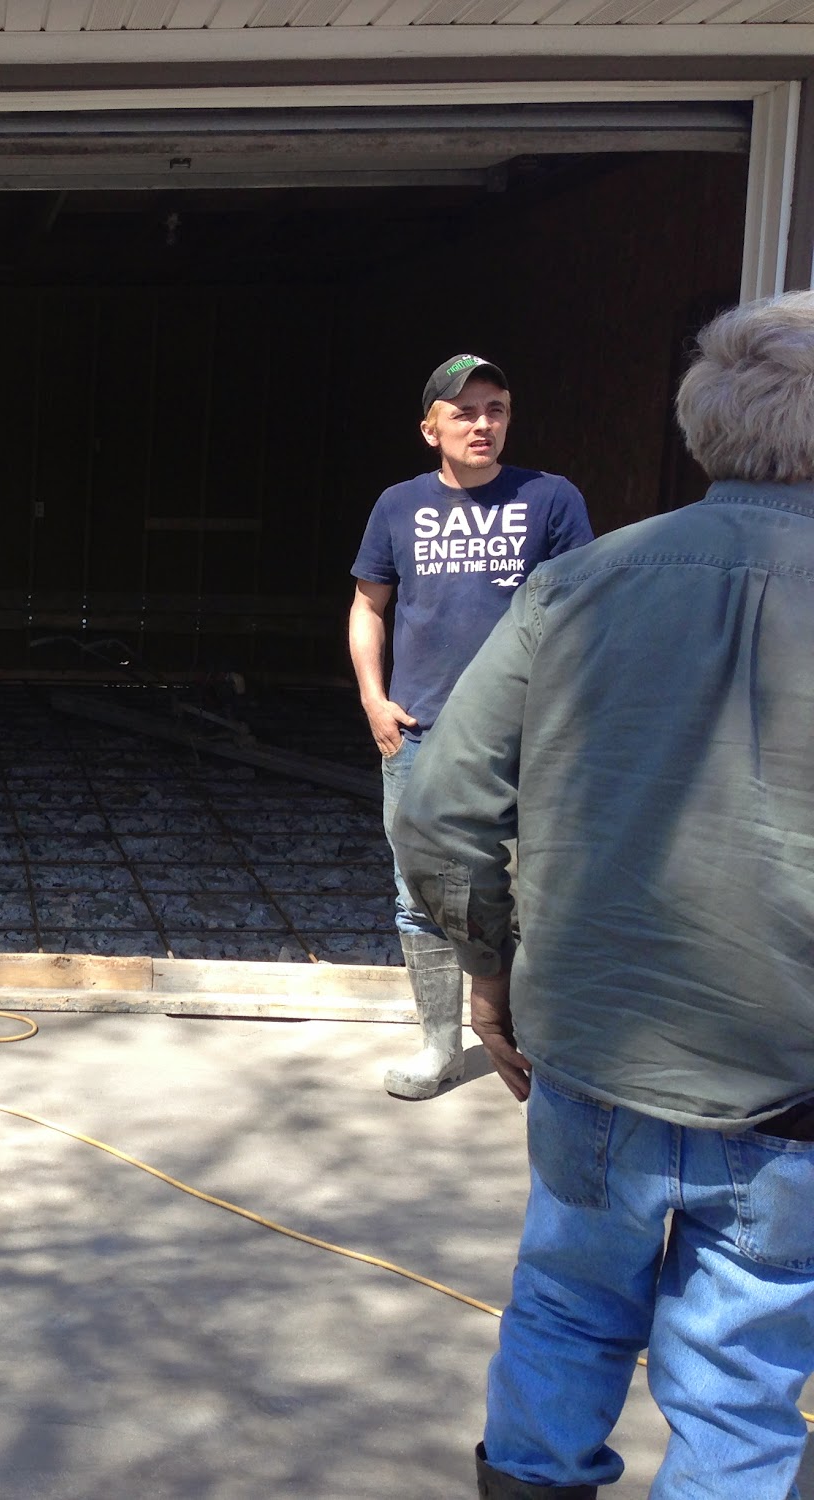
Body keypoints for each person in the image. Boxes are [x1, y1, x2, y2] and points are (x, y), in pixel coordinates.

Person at [391, 294, 814, 1497]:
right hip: (787, 1082)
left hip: (588, 1043)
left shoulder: (574, 586)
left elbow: (437, 810)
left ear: (700, 425)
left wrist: (487, 974)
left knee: (566, 1307)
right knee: (737, 1372)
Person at [348, 356, 593, 1099]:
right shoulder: (399, 505)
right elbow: (368, 607)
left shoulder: (550, 499)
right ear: (431, 430)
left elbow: (582, 614)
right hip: (419, 734)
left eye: (496, 408)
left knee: (534, 889)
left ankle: (537, 1044)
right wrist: (374, 700)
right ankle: (439, 1047)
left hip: (525, 736)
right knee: (418, 891)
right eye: (464, 412)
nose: (482, 424)